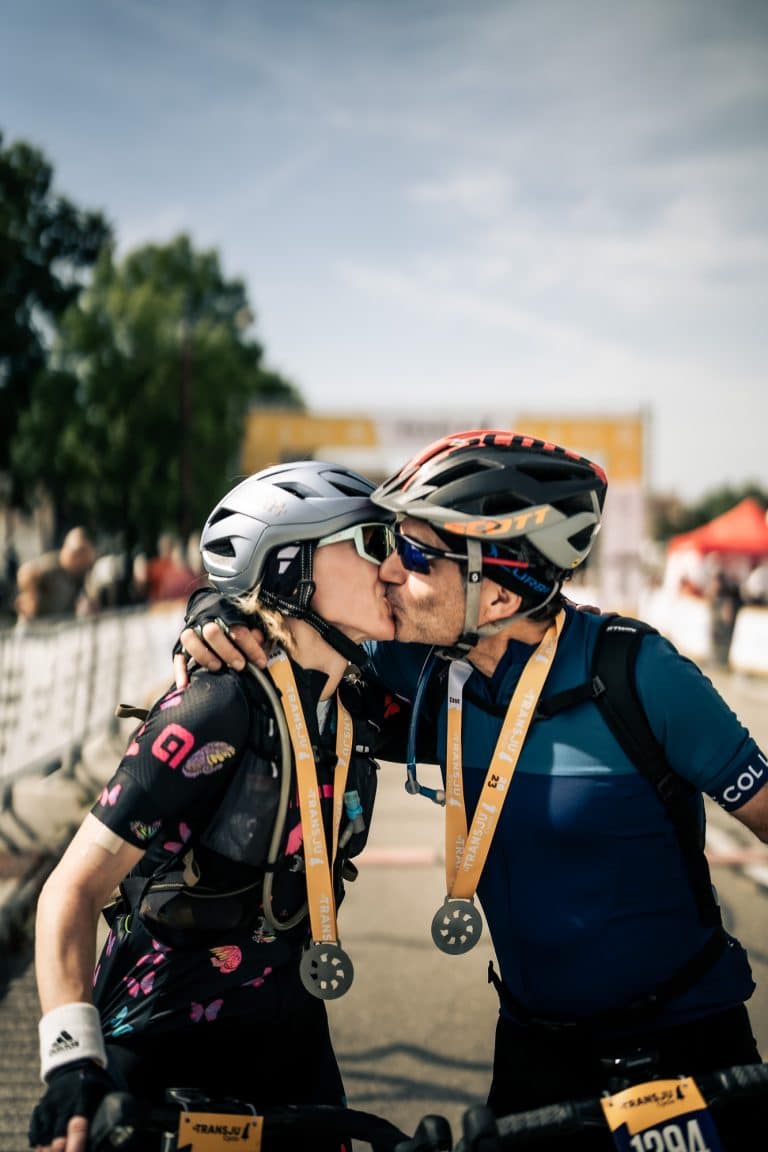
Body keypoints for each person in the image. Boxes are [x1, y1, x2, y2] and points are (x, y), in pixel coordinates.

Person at [176, 430, 768, 1148]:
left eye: (419, 556)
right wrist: (212, 612)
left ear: (495, 590)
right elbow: (292, 615)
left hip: (686, 1042)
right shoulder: (422, 665)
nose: (390, 572)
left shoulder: (640, 675)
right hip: (534, 1052)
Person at [28, 461, 408, 1152]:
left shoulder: (360, 701)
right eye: (373, 541)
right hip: (160, 1047)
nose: (394, 564)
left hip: (293, 1045)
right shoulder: (216, 704)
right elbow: (72, 889)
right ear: (292, 567)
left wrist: (205, 606)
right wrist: (69, 1064)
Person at [14, 526, 97, 621]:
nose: (80, 559)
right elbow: (26, 571)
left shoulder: (79, 573)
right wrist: (31, 595)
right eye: (77, 553)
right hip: (38, 627)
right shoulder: (51, 565)